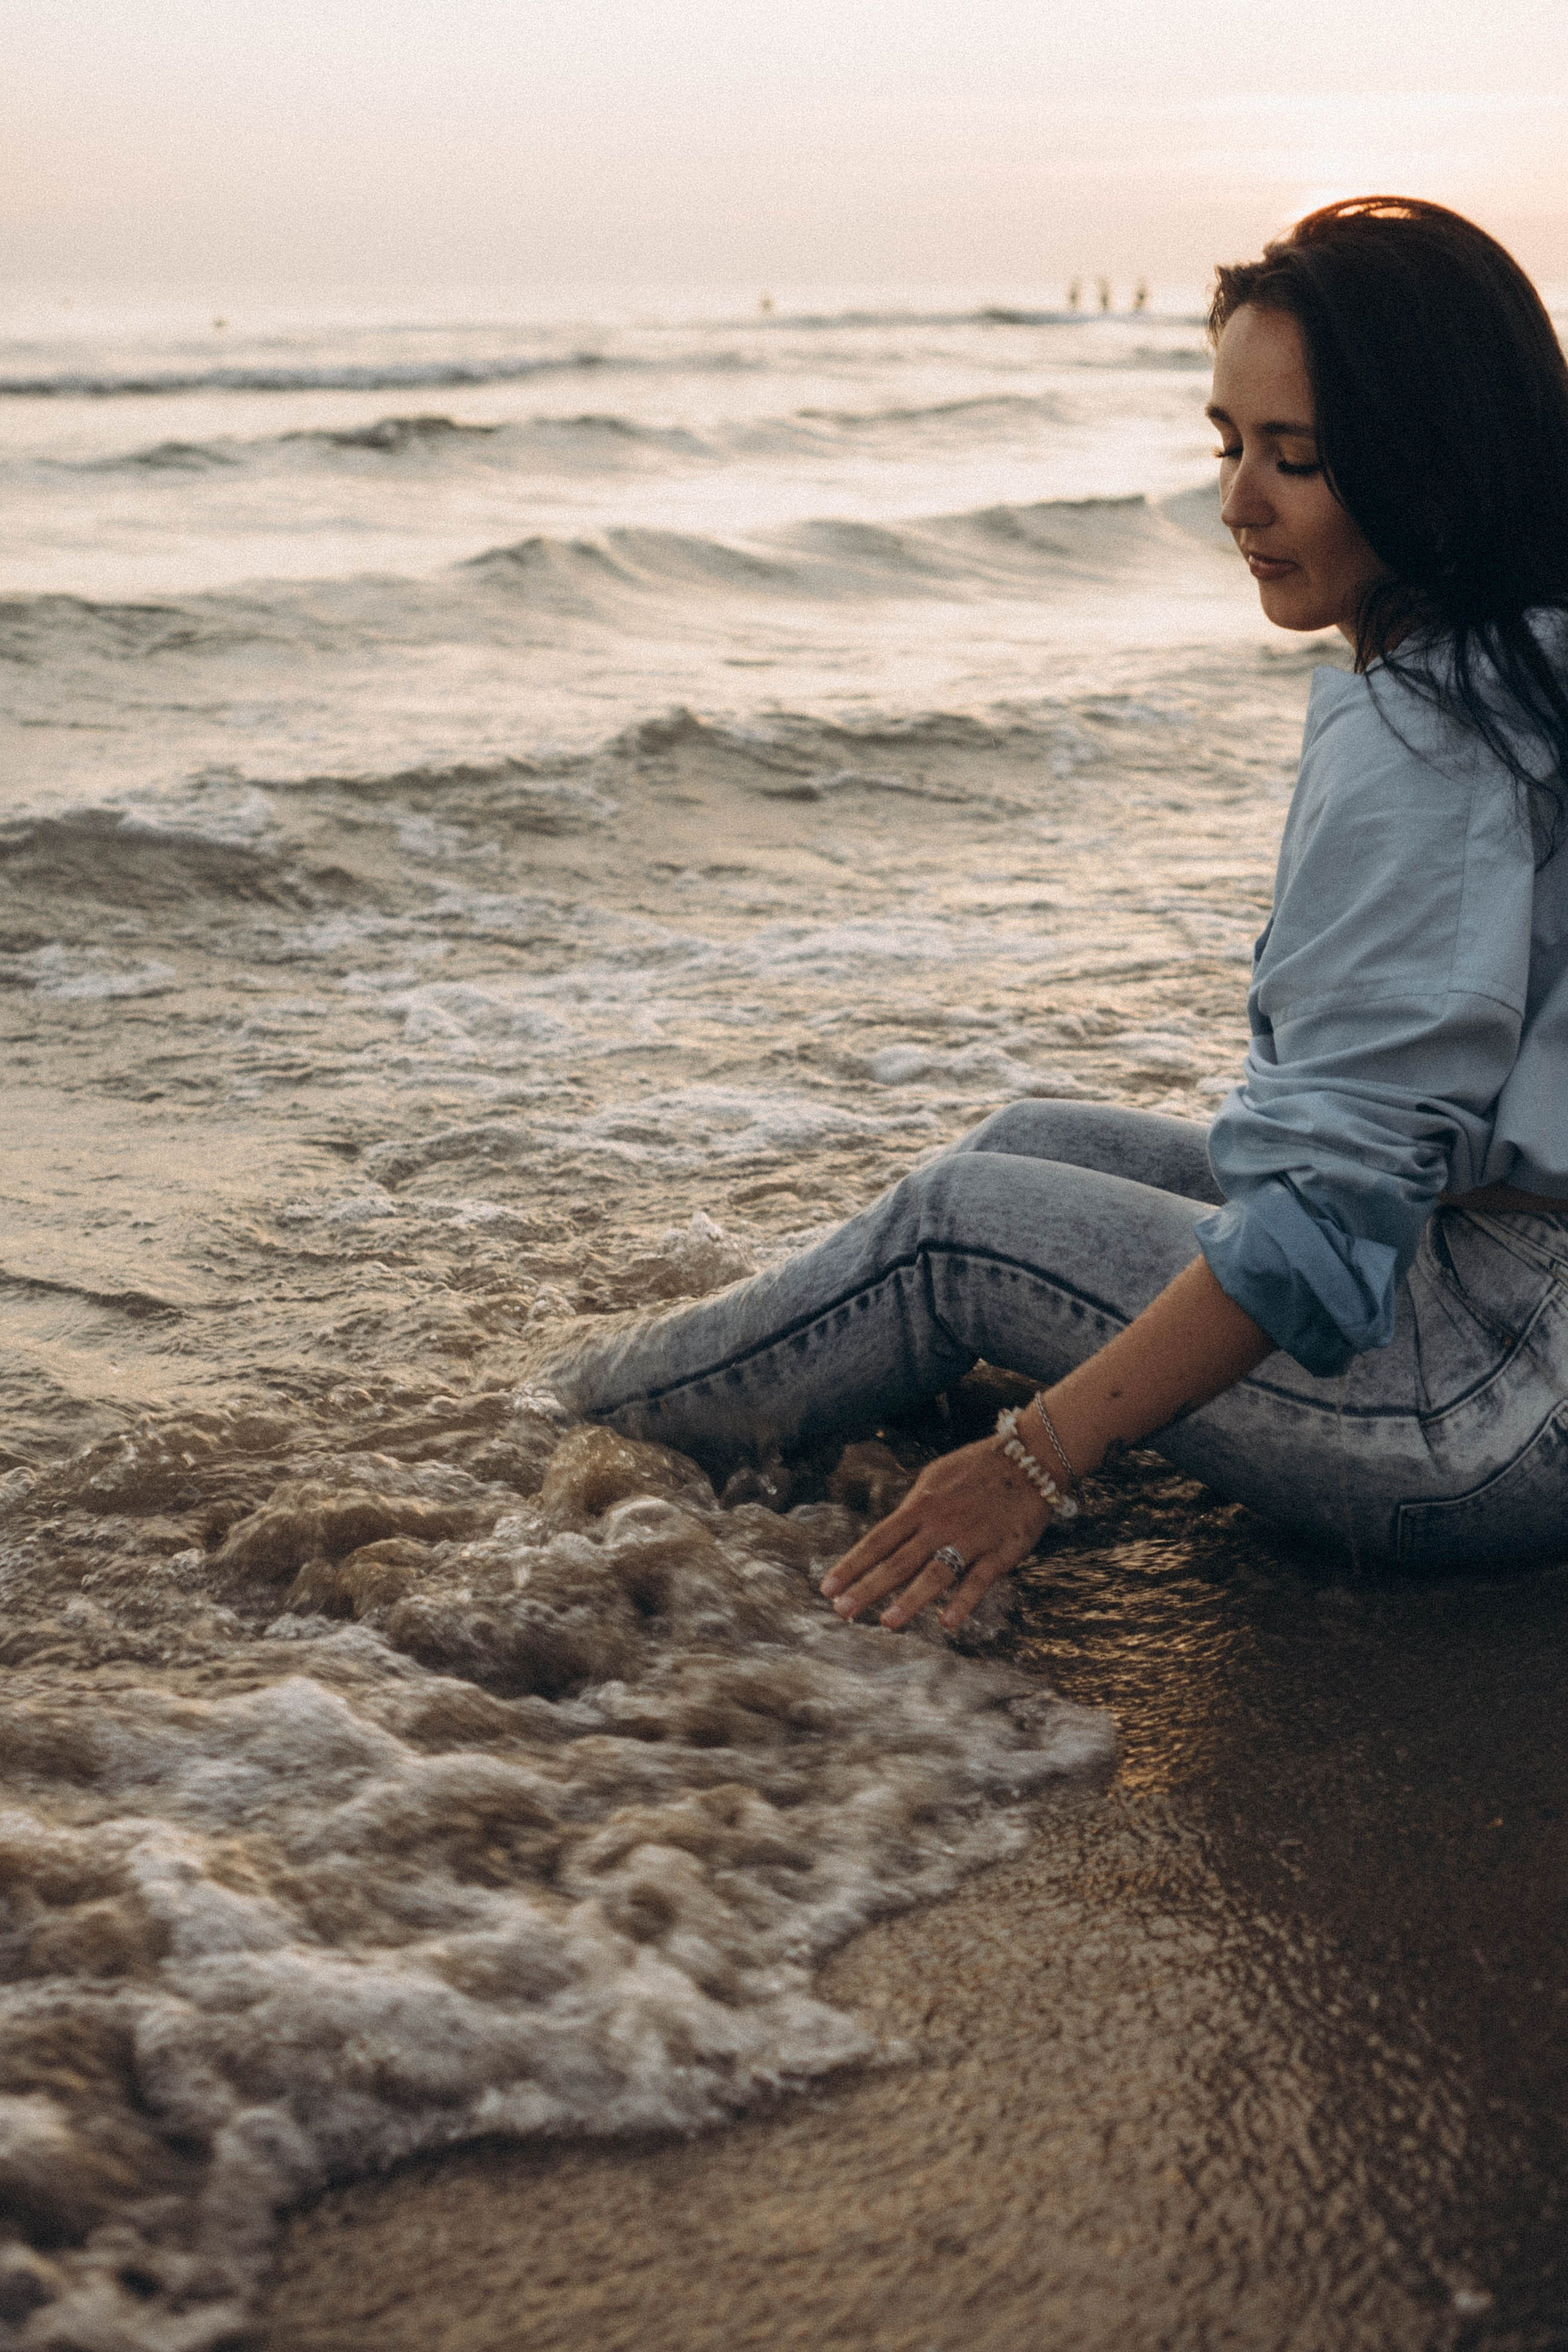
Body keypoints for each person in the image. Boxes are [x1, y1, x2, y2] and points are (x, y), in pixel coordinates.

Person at [540, 198, 1568, 1627]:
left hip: (1488, 1419)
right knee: (1028, 1140)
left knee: (958, 1232)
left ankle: (550, 1423)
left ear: (1432, 468)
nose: (1237, 504)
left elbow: (1327, 1225)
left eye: (1298, 459)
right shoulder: (1534, 660)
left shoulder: (1422, 737)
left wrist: (1032, 1460)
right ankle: (800, 1437)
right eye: (1226, 444)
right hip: (1521, 1320)